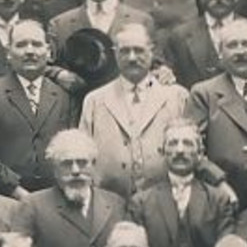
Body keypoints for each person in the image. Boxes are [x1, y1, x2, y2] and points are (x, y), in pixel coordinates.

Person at [80, 22, 192, 200]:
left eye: (139, 50)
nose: (132, 58)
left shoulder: (177, 96)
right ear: (115, 54)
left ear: (151, 51)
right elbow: (83, 157)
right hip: (109, 201)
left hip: (166, 202)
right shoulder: (95, 101)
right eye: (125, 51)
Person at [9, 129, 129, 247]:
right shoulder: (33, 205)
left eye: (82, 162)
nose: (75, 171)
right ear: (55, 169)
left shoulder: (116, 204)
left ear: (93, 165)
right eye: (67, 163)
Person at [129, 124, 238, 247]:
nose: (180, 150)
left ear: (200, 153)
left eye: (187, 143)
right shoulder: (141, 202)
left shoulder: (218, 200)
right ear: (162, 151)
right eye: (173, 143)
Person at [0, 18, 77, 195]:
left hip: (56, 198)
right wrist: (15, 190)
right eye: (21, 45)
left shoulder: (65, 97)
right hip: (6, 199)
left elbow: (72, 150)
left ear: (48, 52)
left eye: (36, 44)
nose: (29, 51)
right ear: (8, 52)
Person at [184, 18, 247, 208]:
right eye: (232, 45)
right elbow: (193, 149)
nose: (240, 52)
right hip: (226, 197)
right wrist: (218, 183)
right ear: (220, 54)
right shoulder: (204, 94)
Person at [46, 0, 156, 99]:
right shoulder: (60, 25)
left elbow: (157, 66)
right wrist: (59, 74)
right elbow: (43, 67)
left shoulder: (141, 21)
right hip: (76, 111)